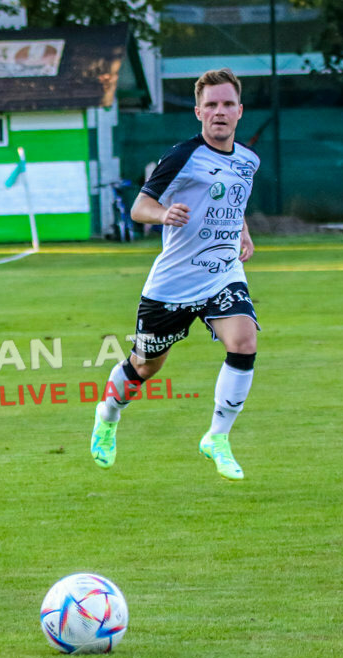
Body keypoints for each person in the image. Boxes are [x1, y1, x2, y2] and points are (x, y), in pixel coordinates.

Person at [90, 68, 259, 481]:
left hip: (222, 273)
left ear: (239, 111)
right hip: (173, 285)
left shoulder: (248, 160)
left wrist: (243, 230)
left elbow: (233, 201)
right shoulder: (183, 156)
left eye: (227, 104)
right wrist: (164, 213)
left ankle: (217, 437)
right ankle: (107, 415)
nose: (219, 112)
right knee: (145, 367)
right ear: (199, 112)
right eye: (211, 105)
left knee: (244, 341)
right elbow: (139, 208)